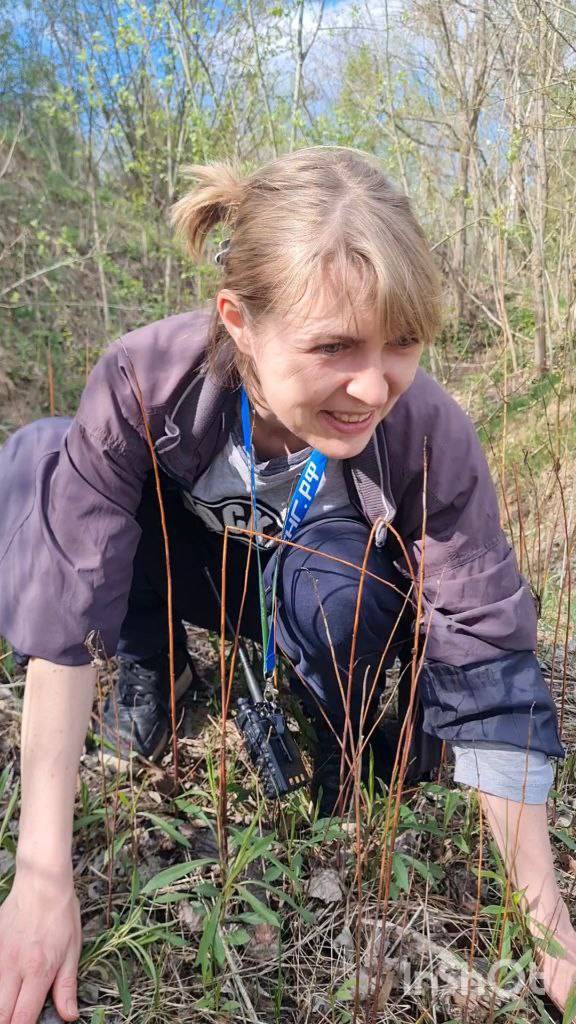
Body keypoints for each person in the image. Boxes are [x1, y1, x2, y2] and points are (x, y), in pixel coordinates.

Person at [0, 146, 573, 1021]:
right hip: (188, 568)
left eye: (403, 344)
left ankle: (335, 720)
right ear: (238, 320)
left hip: (316, 570)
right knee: (41, 457)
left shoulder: (425, 431)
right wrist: (43, 873)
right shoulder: (143, 382)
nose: (372, 384)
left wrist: (545, 915)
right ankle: (157, 667)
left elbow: (488, 642)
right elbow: (69, 593)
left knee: (341, 599)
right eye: (334, 346)